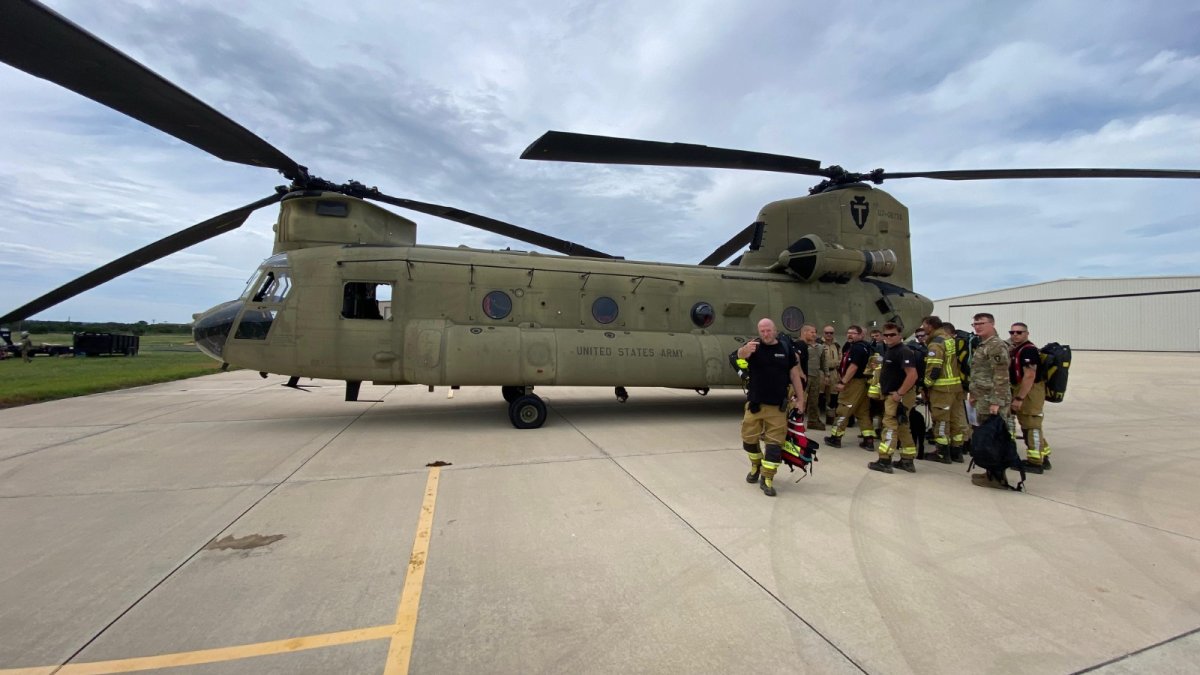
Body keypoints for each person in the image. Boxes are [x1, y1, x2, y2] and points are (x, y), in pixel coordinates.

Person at [735, 318, 806, 497]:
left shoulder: (785, 348)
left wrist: (801, 399)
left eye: (768, 330)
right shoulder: (753, 347)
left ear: (775, 331)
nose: (765, 334)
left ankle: (767, 479)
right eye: (762, 331)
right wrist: (745, 350)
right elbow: (740, 356)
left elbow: (794, 374)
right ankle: (756, 466)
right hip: (755, 405)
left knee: (774, 446)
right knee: (749, 441)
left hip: (777, 407)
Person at [969, 313, 1013, 489]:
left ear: (992, 324)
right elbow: (980, 373)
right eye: (975, 324)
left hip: (991, 400)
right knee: (986, 438)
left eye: (981, 323)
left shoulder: (995, 346)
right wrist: (973, 394)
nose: (978, 327)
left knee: (995, 438)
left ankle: (998, 477)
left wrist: (997, 402)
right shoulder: (983, 345)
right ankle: (990, 473)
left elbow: (1001, 376)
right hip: (982, 398)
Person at [868, 323, 920, 474]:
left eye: (892, 335)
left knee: (889, 425)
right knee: (903, 426)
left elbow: (912, 375)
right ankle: (907, 460)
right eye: (886, 335)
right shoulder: (891, 350)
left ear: (900, 336)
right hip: (893, 395)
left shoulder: (903, 351)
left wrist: (899, 393)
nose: (889, 337)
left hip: (897, 396)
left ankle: (884, 460)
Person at [920, 316, 965, 464]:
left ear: (930, 326)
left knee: (941, 420)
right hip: (955, 387)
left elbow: (934, 368)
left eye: (924, 325)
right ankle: (956, 451)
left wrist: (926, 384)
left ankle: (942, 452)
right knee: (955, 420)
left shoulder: (936, 343)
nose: (923, 328)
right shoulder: (949, 339)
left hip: (941, 388)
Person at [1008, 322, 1051, 473]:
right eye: (1012, 332)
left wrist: (1019, 398)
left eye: (1019, 332)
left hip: (1030, 391)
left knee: (1031, 425)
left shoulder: (1028, 351)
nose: (1015, 335)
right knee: (1029, 424)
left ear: (1027, 333)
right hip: (1025, 389)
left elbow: (1030, 375)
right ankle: (1042, 455)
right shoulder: (1018, 349)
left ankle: (1035, 462)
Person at [823, 325, 875, 449]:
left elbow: (853, 367)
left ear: (861, 335)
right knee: (862, 411)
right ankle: (868, 440)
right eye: (848, 332)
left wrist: (843, 382)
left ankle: (836, 438)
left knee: (843, 409)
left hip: (853, 383)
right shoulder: (865, 347)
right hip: (862, 383)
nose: (850, 335)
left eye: (853, 333)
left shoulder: (857, 348)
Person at [800, 324, 825, 430]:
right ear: (804, 332)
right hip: (804, 377)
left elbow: (824, 362)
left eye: (815, 332)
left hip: (815, 376)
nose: (814, 334)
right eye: (812, 332)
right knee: (800, 400)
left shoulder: (820, 347)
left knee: (814, 400)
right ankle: (797, 422)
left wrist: (826, 374)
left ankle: (813, 421)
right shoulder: (799, 345)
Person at [819, 325, 841, 425]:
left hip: (833, 373)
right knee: (818, 395)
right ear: (823, 333)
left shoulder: (837, 345)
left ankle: (830, 418)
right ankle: (816, 419)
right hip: (821, 372)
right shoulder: (818, 344)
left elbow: (841, 358)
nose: (829, 335)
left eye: (831, 333)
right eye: (826, 333)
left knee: (832, 396)